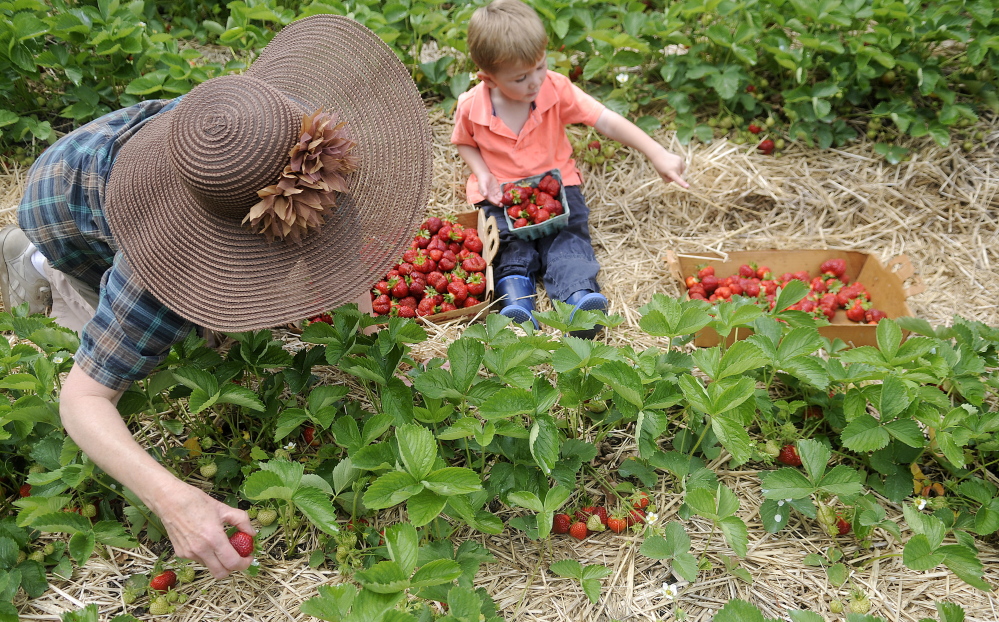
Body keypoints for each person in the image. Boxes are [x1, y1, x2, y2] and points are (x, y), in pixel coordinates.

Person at [0, 15, 432, 578]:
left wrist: (372, 346)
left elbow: (334, 227)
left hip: (116, 150)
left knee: (215, 332)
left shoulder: (263, 125)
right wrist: (174, 500)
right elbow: (82, 401)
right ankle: (32, 264)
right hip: (59, 204)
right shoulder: (158, 264)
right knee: (136, 354)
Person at [451, 0, 689, 336]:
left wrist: (656, 152)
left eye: (540, 65)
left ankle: (578, 298)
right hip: (501, 190)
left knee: (569, 236)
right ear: (487, 78)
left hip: (557, 184)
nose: (535, 81)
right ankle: (516, 303)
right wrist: (483, 173)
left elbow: (604, 118)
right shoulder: (472, 105)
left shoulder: (555, 88)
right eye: (521, 77)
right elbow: (464, 141)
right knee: (506, 243)